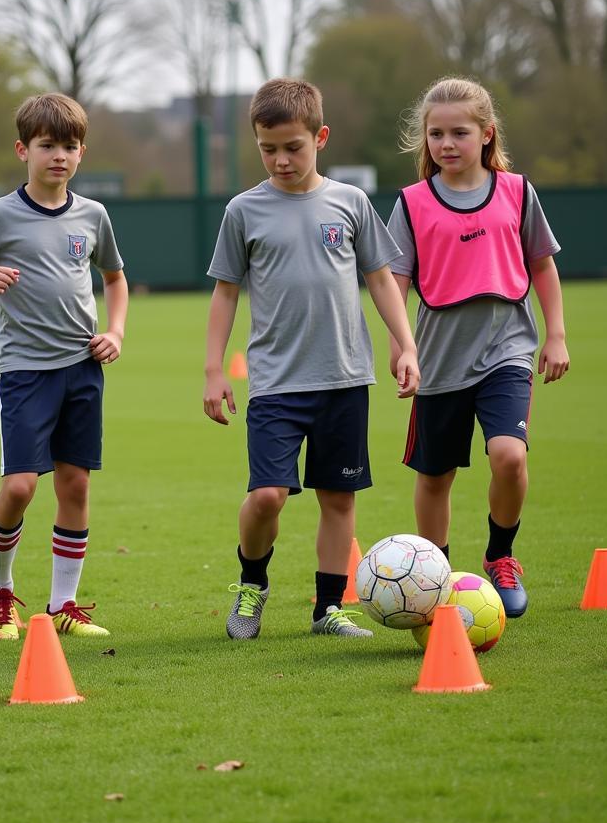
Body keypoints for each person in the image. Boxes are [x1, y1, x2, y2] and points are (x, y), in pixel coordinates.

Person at [204, 78, 420, 640]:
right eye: (267, 148)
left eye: (292, 147)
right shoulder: (243, 210)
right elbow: (225, 292)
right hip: (276, 382)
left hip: (345, 377)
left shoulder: (350, 203)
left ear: (320, 138)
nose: (280, 159)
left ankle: (328, 611)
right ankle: (252, 587)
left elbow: (380, 278)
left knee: (338, 497)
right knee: (268, 495)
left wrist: (406, 344)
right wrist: (212, 369)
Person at [0, 93, 128, 641]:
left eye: (69, 146)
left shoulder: (94, 215)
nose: (59, 156)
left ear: (82, 152)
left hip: (82, 369)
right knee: (20, 487)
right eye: (47, 145)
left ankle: (63, 605)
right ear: (24, 149)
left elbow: (114, 277)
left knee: (74, 486)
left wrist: (114, 331)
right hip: (23, 372)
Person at [387, 76, 569, 617]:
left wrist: (555, 335)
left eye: (459, 133)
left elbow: (542, 265)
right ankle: (435, 579)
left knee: (509, 456)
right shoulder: (412, 203)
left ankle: (500, 557)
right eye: (436, 133)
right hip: (438, 362)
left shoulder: (516, 191)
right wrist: (403, 348)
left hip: (506, 352)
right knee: (435, 476)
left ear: (486, 134)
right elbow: (392, 282)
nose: (446, 143)